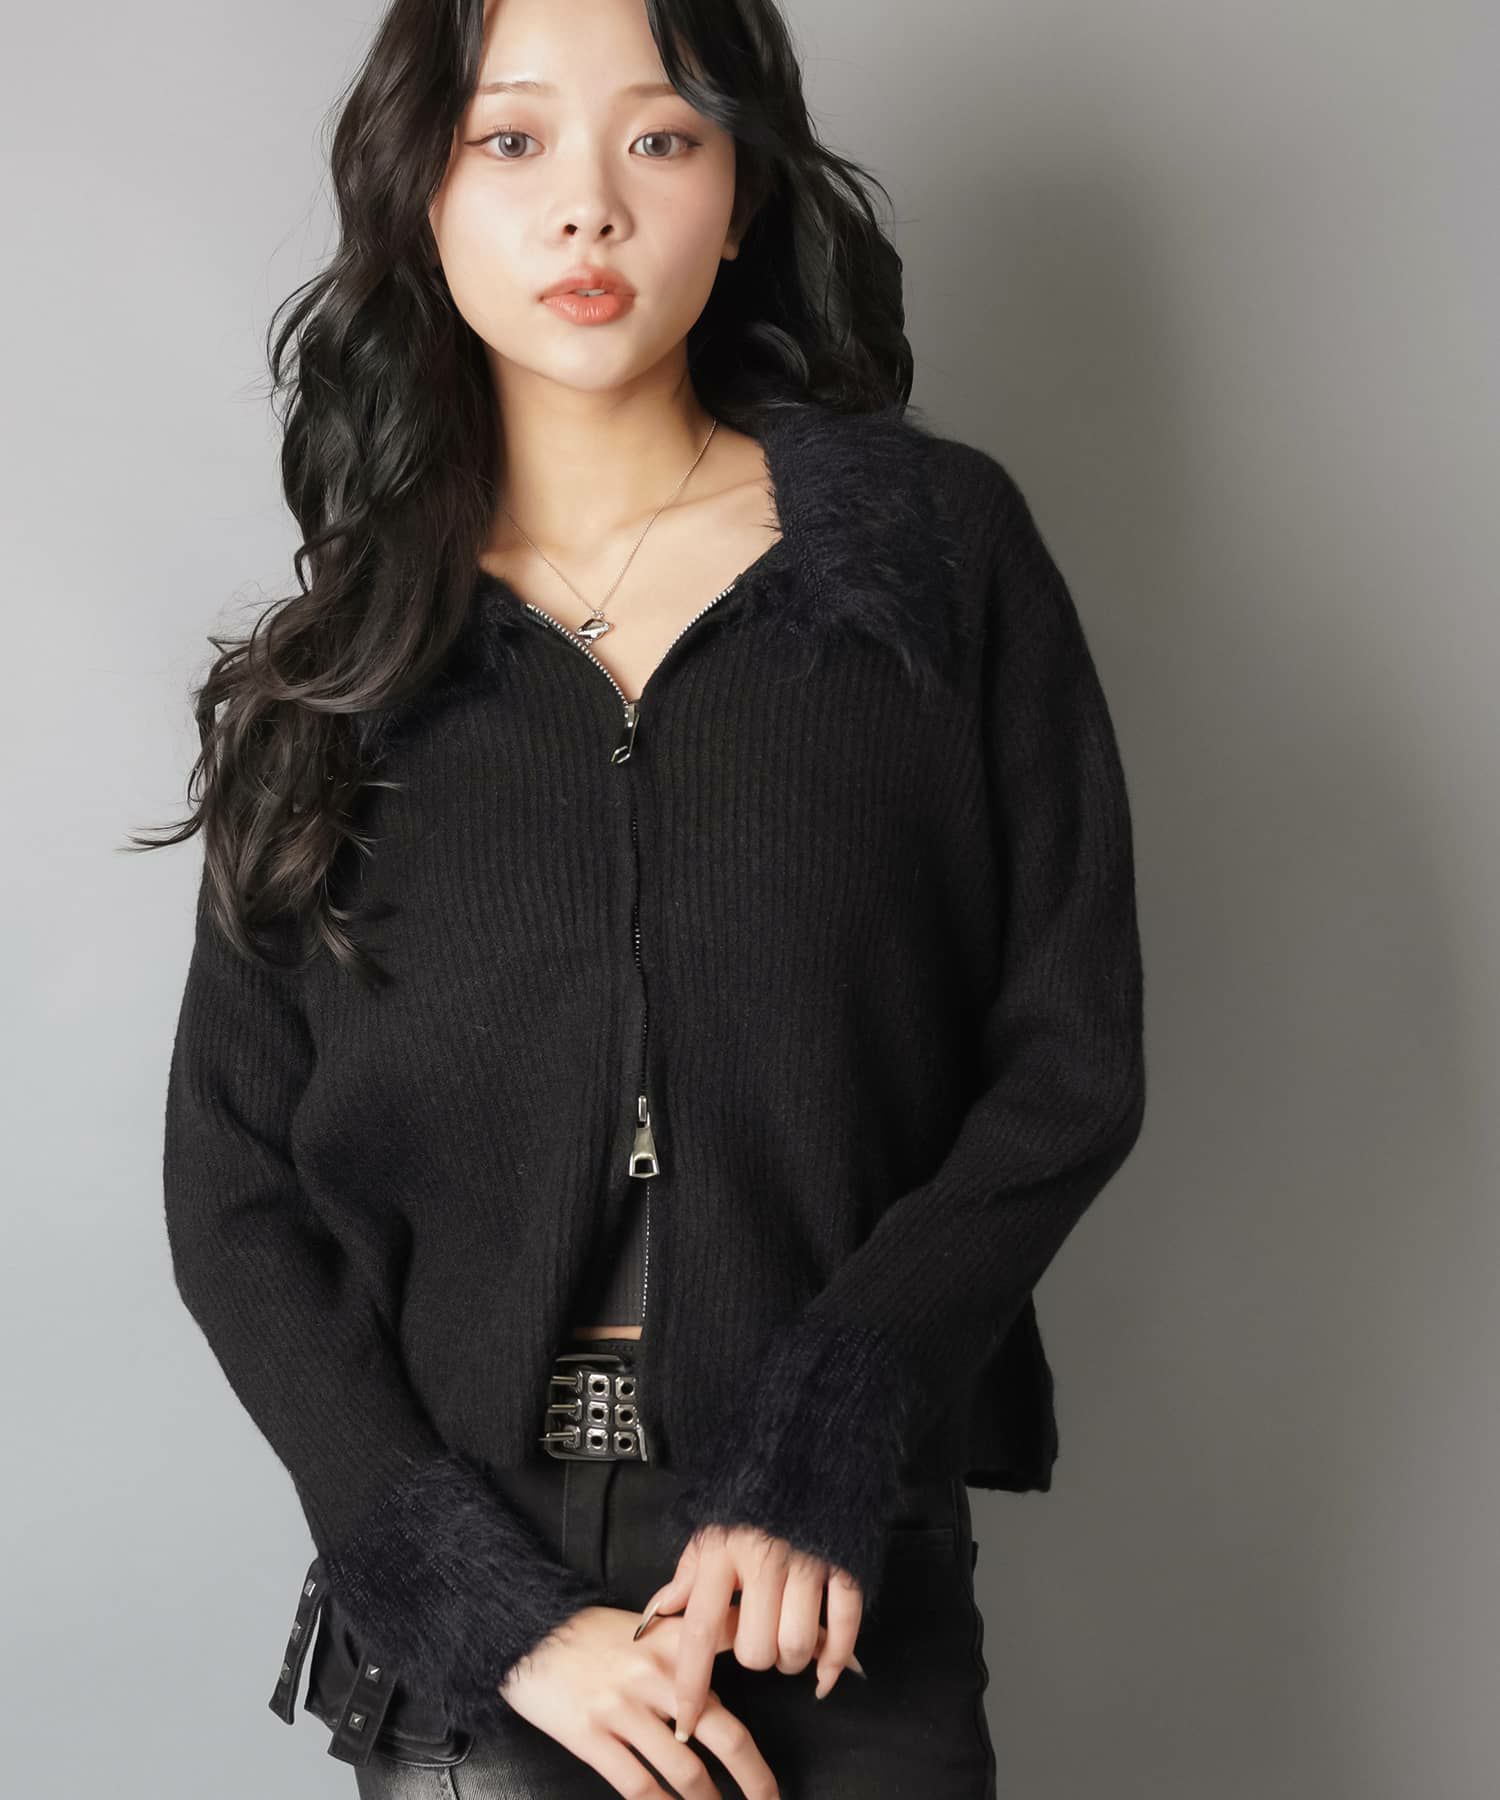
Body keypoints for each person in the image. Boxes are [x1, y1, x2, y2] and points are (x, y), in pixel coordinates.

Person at [146, 0, 1147, 1793]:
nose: (589, 204)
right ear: (424, 197)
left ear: (741, 194)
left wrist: (836, 1424)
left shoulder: (928, 566)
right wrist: (482, 1612)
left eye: (663, 137)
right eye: (511, 139)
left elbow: (1068, 1060)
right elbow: (232, 1194)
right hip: (487, 1639)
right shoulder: (344, 668)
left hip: (828, 1578)